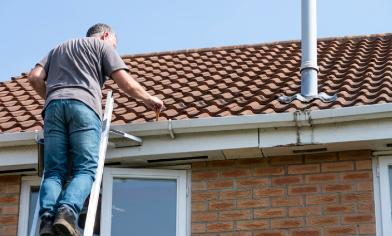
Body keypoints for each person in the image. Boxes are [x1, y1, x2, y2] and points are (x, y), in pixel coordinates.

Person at [28, 23, 163, 236]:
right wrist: (148, 98)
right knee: (86, 168)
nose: (115, 50)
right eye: (115, 46)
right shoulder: (102, 47)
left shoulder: (57, 49)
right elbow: (126, 84)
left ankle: (46, 222)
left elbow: (34, 77)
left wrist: (55, 98)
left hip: (52, 109)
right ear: (106, 36)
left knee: (53, 172)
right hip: (83, 108)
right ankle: (66, 213)